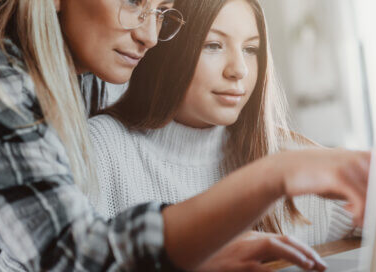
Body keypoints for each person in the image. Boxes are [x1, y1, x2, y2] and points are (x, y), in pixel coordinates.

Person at [0, 0, 370, 271]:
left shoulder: (83, 67)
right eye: (134, 2)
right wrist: (273, 175)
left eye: (161, 9)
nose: (149, 33)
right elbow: (77, 260)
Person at [90, 0, 359, 257]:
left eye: (251, 49)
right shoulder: (100, 147)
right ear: (166, 49)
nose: (239, 70)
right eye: (214, 45)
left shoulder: (285, 155)